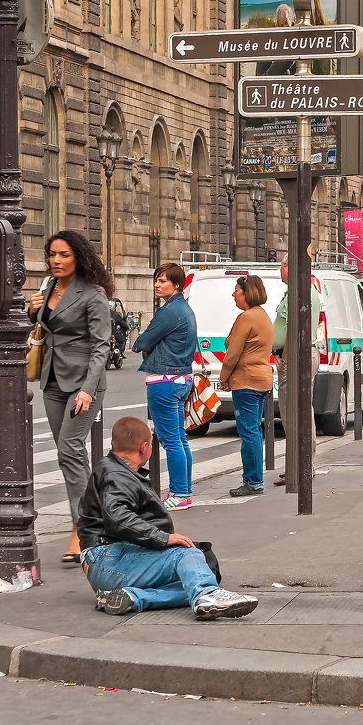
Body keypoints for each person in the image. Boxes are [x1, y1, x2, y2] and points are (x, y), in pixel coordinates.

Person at [78, 416, 259, 619]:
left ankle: (135, 597)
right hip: (108, 560)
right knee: (187, 555)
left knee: (198, 573)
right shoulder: (116, 475)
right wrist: (164, 538)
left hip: (110, 563)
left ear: (113, 444)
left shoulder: (115, 470)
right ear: (143, 447)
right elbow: (118, 517)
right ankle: (207, 593)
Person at [27, 231, 114, 564]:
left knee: (69, 449)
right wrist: (30, 308)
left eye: (63, 255)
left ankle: (82, 528)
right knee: (71, 456)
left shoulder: (93, 294)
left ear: (78, 256)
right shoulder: (46, 288)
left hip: (83, 383)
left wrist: (87, 390)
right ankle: (100, 515)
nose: (56, 261)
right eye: (52, 254)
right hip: (52, 380)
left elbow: (101, 347)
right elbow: (41, 328)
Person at [131, 262, 197, 511]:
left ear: (177, 285)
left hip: (164, 381)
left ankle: (180, 493)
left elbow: (142, 340)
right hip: (180, 379)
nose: (157, 285)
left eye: (163, 281)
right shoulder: (183, 308)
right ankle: (183, 489)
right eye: (156, 280)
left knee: (171, 441)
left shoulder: (169, 312)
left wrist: (140, 343)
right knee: (179, 439)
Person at [220, 275, 275, 497]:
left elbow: (232, 354)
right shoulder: (263, 316)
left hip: (247, 380)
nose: (233, 294)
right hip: (261, 379)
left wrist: (223, 378)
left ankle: (253, 481)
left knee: (249, 432)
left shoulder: (246, 317)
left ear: (247, 293)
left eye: (237, 291)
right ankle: (254, 479)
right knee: (254, 430)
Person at [272, 256, 322, 488]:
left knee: (294, 413)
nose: (279, 271)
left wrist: (286, 358)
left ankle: (300, 465)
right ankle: (301, 463)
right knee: (300, 412)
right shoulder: (302, 290)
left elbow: (294, 326)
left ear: (289, 267)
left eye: (281, 266)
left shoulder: (299, 291)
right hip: (297, 355)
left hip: (294, 356)